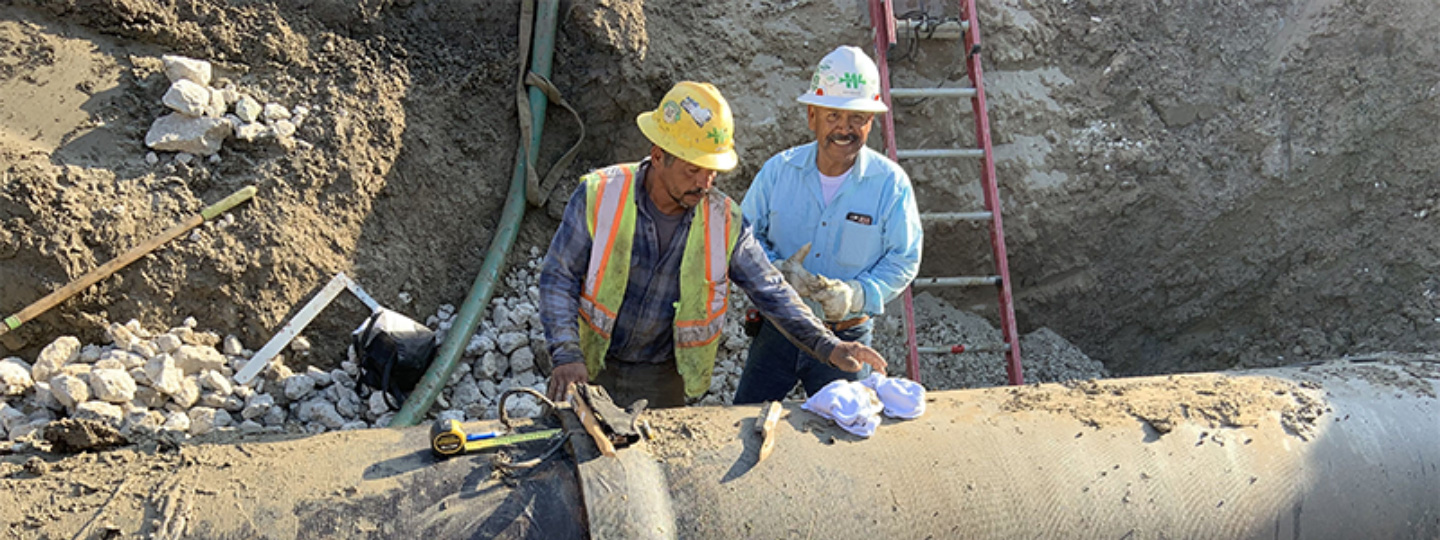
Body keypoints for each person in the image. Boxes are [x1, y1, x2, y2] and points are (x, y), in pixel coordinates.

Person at [539, 81, 888, 409]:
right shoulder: (601, 194)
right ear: (659, 155)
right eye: (693, 170)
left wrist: (828, 346)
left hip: (662, 377)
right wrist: (567, 355)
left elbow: (772, 291)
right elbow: (559, 276)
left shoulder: (723, 221)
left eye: (712, 171)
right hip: (589, 362)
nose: (705, 182)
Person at [733, 46, 922, 404]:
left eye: (857, 118)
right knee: (747, 423)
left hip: (847, 337)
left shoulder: (890, 184)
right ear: (812, 116)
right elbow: (744, 237)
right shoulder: (778, 172)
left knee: (847, 436)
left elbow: (904, 258)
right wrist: (775, 271)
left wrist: (856, 294)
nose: (844, 128)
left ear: (871, 122)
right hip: (779, 332)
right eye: (833, 115)